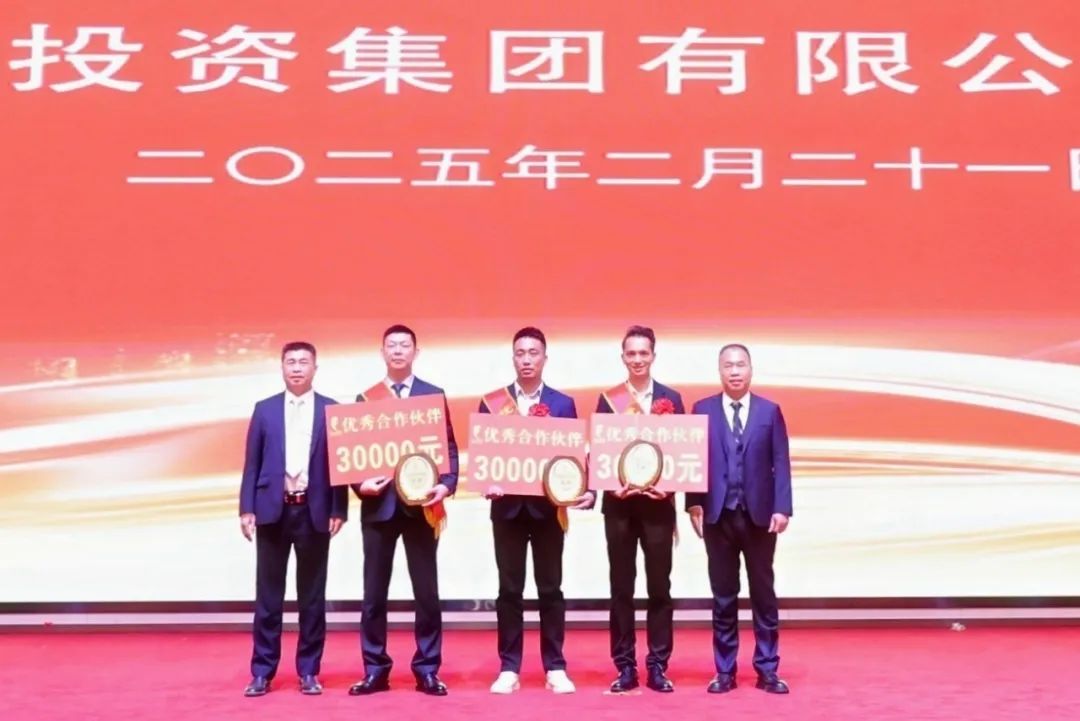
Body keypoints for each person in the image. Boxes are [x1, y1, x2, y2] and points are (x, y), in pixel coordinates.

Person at [479, 326, 594, 694]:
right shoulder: (492, 403)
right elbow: (484, 458)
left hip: (548, 511)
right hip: (507, 510)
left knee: (550, 589)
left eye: (533, 353)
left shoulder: (562, 404)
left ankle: (555, 666)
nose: (526, 360)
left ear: (545, 358)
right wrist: (488, 482)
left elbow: (573, 458)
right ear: (513, 358)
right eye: (520, 353)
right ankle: (509, 667)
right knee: (509, 590)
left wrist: (583, 489)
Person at [348, 325, 459, 697]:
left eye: (404, 345)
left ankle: (427, 669)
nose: (398, 350)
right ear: (382, 352)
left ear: (416, 352)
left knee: (426, 593)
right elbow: (353, 454)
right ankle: (375, 669)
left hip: (421, 508)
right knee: (373, 595)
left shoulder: (433, 395)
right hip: (378, 508)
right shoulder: (366, 399)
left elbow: (449, 448)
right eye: (391, 345)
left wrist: (446, 484)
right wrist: (358, 485)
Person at [239, 341, 347, 697]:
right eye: (291, 362)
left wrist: (338, 508)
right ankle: (262, 672)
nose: (297, 368)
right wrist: (246, 507)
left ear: (315, 367)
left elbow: (340, 466)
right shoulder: (265, 409)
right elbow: (252, 463)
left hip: (314, 511)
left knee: (312, 598)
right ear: (282, 367)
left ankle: (309, 671)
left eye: (303, 362)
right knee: (268, 597)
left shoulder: (331, 409)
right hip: (273, 510)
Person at [687, 343, 793, 695]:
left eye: (740, 365)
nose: (734, 371)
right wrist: (693, 504)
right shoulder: (702, 410)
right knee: (723, 597)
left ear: (750, 369)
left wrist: (782, 507)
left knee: (763, 594)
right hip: (718, 516)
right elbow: (693, 462)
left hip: (760, 518)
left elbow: (781, 462)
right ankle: (725, 671)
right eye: (728, 365)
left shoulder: (769, 411)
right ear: (719, 371)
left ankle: (768, 669)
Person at [596, 325, 685, 693]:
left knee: (659, 588)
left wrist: (671, 485)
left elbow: (683, 452)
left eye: (643, 353)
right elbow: (600, 452)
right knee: (621, 588)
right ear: (623, 357)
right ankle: (625, 667)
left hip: (658, 508)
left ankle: (658, 665)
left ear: (653, 356)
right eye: (631, 353)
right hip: (619, 507)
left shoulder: (671, 399)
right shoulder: (608, 400)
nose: (637, 359)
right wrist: (607, 482)